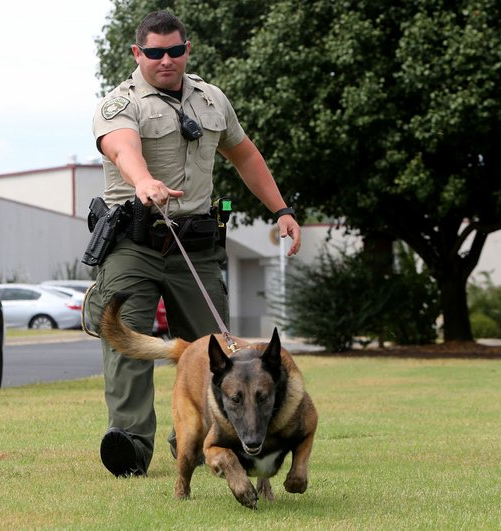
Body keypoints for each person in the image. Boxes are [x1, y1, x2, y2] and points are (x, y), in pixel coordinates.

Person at [87, 10, 301, 478]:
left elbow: (244, 154)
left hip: (196, 247)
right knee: (128, 339)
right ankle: (130, 446)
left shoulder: (211, 99)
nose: (167, 59)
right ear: (137, 53)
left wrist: (281, 210)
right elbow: (123, 148)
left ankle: (198, 433)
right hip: (134, 243)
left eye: (176, 50)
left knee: (221, 352)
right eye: (156, 52)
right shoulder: (120, 103)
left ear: (188, 49)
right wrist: (143, 181)